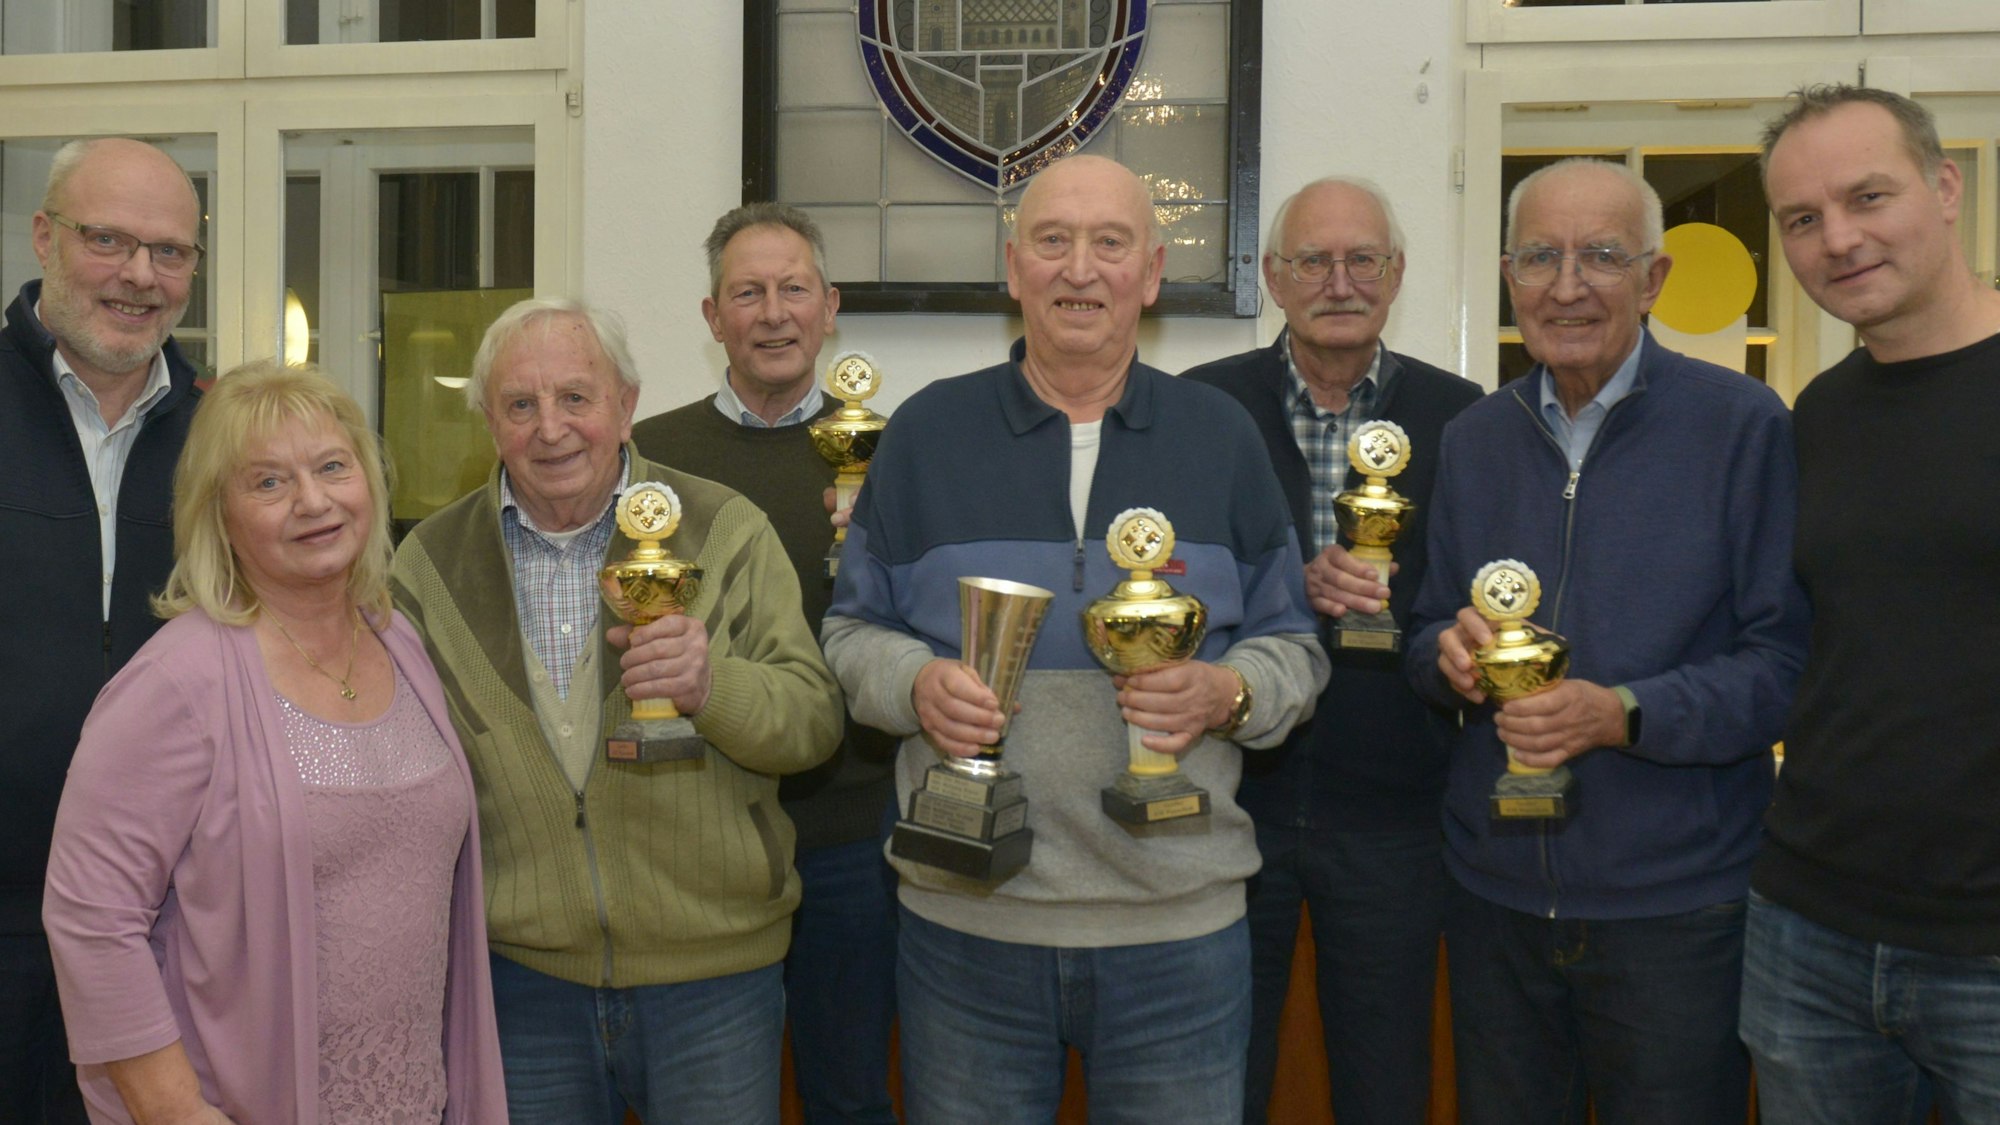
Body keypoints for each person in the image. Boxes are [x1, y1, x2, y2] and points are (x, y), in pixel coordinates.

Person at [821, 154, 1328, 1122]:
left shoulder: (1221, 438)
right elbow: (849, 631)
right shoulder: (924, 433)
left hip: (1176, 929)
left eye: (1109, 244)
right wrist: (913, 684)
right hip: (966, 924)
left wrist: (1229, 696)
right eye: (1052, 242)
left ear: (1151, 271)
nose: (1078, 270)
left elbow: (1293, 646)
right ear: (1013, 268)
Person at [1404, 157, 1810, 1124]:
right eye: (1541, 256)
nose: (1568, 284)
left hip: (1676, 908)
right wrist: (1450, 663)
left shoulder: (1744, 425)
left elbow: (1785, 666)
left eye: (1601, 255)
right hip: (1495, 892)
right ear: (1510, 277)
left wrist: (1623, 712)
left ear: (1655, 279)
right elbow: (1425, 628)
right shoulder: (1473, 437)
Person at [390, 297, 844, 1125]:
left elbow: (813, 720)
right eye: (519, 405)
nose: (550, 428)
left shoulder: (724, 527)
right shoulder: (427, 563)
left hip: (714, 978)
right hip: (521, 984)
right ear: (489, 421)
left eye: (575, 397)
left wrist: (716, 690)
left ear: (626, 404)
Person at [41, 361, 508, 1125]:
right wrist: (175, 1113)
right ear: (218, 515)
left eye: (333, 466)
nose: (314, 501)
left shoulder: (399, 642)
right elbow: (92, 919)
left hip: (416, 1100)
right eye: (269, 483)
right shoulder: (176, 683)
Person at [1181, 175, 1481, 1125]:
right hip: (1234, 799)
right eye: (1314, 260)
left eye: (1363, 260)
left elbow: (1474, 594)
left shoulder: (1464, 415)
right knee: (1222, 1074)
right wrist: (1288, 591)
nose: (1339, 281)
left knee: (1388, 1076)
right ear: (1273, 275)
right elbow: (1161, 585)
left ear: (1396, 276)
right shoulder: (1203, 408)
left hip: (1398, 810)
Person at [1746, 84, 2000, 1124]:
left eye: (1866, 197)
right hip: (1808, 929)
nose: (1836, 240)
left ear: (1943, 188)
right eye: (1801, 220)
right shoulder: (1819, 412)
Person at [632, 202, 899, 1125]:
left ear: (830, 309)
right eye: (748, 292)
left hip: (853, 831)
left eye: (793, 290)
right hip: (700, 835)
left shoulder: (895, 451)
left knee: (849, 1092)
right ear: (713, 317)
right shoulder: (645, 461)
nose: (774, 313)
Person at [0, 136, 205, 1124]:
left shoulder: (230, 437)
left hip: (167, 933)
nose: (140, 274)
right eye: (108, 239)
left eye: (170, 251)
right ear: (44, 236)